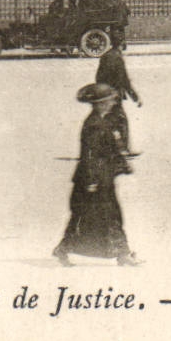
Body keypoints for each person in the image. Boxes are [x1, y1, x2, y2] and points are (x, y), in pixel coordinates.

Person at [54, 83, 140, 267]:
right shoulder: (93, 124)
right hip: (92, 179)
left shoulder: (106, 120)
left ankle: (122, 253)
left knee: (106, 215)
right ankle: (65, 249)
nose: (112, 102)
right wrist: (91, 180)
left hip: (103, 177)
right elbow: (89, 154)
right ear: (99, 104)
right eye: (108, 100)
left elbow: (113, 147)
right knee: (89, 216)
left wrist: (123, 163)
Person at [94, 35, 141, 155]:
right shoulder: (118, 58)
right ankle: (123, 149)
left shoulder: (105, 56)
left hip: (105, 93)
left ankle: (104, 148)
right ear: (122, 45)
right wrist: (135, 97)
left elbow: (98, 76)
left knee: (109, 121)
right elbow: (124, 80)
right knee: (121, 120)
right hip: (114, 95)